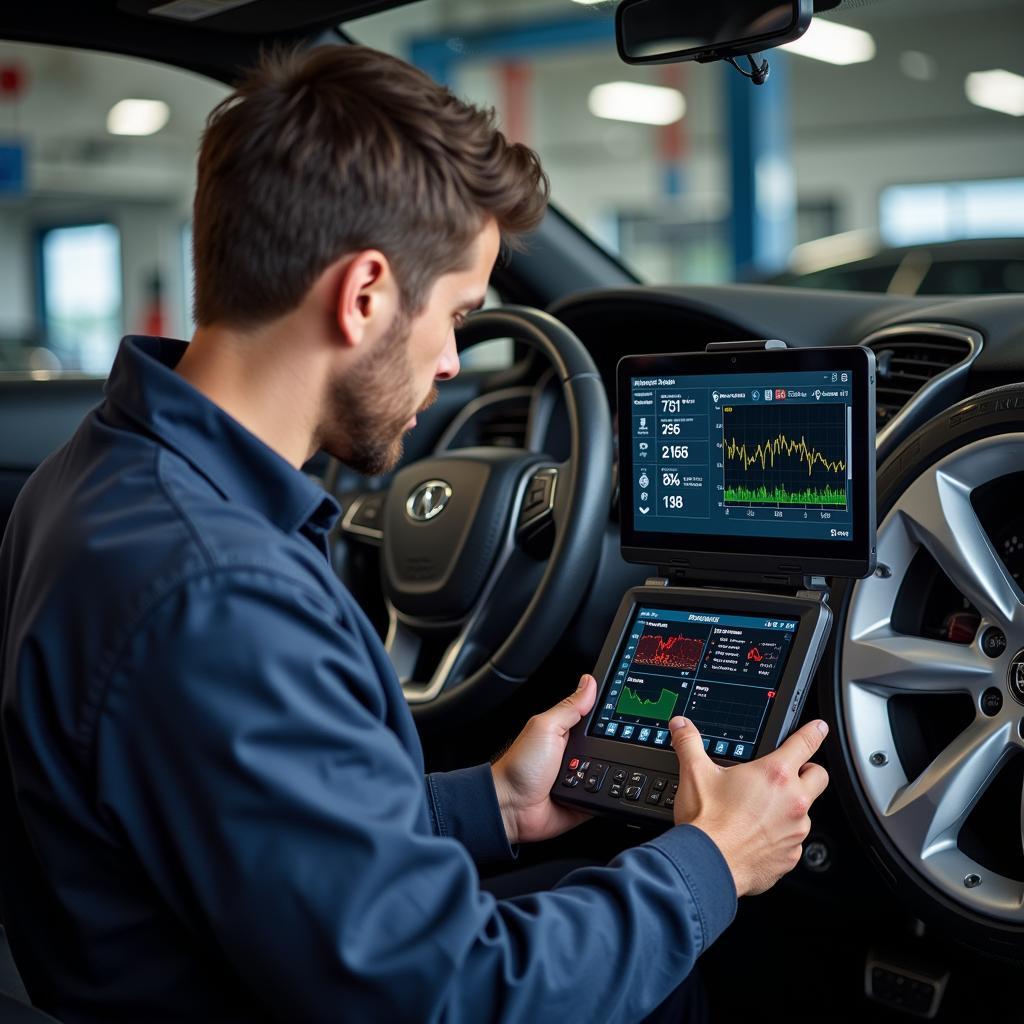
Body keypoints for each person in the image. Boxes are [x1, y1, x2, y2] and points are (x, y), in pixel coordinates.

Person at [0, 45, 829, 1023]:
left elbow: (256, 832)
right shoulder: (217, 592)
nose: (449, 364)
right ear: (363, 295)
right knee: (676, 978)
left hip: (214, 957)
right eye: (459, 316)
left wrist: (492, 806)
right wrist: (712, 863)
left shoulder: (102, 473)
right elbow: (448, 994)